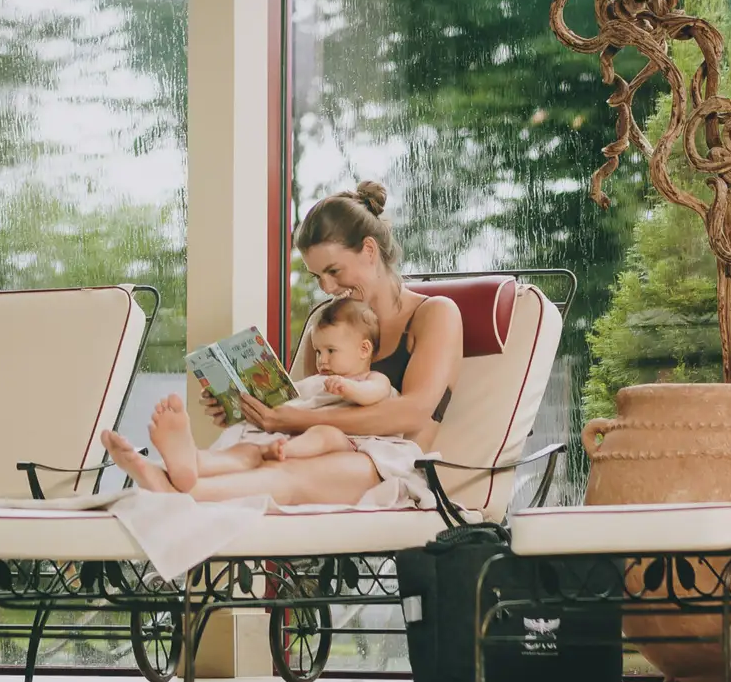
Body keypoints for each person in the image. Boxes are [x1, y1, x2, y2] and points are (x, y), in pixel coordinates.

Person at [102, 180, 464, 505]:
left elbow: (412, 411)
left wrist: (292, 420)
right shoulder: (327, 323)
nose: (326, 288)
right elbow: (301, 402)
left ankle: (175, 491)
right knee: (259, 454)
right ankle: (182, 469)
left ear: (369, 250)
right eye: (317, 276)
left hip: (391, 466)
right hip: (316, 450)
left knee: (284, 474)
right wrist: (245, 406)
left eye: (334, 271)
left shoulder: (434, 314)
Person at [110, 298, 411, 492]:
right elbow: (290, 406)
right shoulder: (315, 382)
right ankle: (195, 463)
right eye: (319, 351)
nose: (322, 360)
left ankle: (281, 453)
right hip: (287, 437)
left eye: (331, 351)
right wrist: (240, 400)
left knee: (325, 432)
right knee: (248, 448)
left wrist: (350, 388)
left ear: (364, 350)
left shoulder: (373, 378)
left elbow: (374, 394)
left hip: (348, 440)